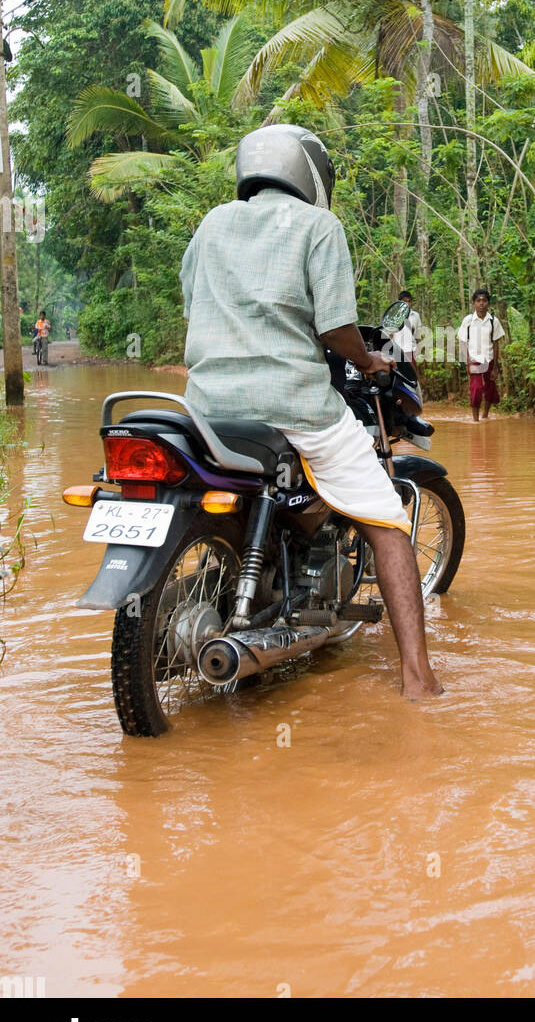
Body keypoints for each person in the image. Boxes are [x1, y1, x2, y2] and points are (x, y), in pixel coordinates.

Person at [180, 123, 442, 698]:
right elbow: (335, 329)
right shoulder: (319, 226)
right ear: (310, 176)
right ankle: (419, 680)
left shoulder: (211, 224)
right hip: (292, 406)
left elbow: (192, 303)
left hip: (205, 411)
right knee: (388, 519)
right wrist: (370, 360)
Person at [458, 289, 505, 422]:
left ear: (488, 303)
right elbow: (462, 342)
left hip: (489, 359)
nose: (481, 303)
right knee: (476, 388)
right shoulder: (468, 321)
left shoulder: (493, 321)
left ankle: (485, 415)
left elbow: (496, 343)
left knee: (490, 389)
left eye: (484, 300)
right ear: (474, 303)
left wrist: (495, 366)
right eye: (478, 300)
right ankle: (475, 420)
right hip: (474, 360)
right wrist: (467, 361)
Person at [393, 289, 422, 368]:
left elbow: (417, 335)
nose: (407, 303)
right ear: (400, 302)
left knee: (412, 375)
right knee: (399, 375)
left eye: (409, 301)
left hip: (411, 349)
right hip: (398, 350)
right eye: (405, 301)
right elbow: (390, 335)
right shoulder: (394, 316)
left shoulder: (415, 315)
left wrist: (418, 348)